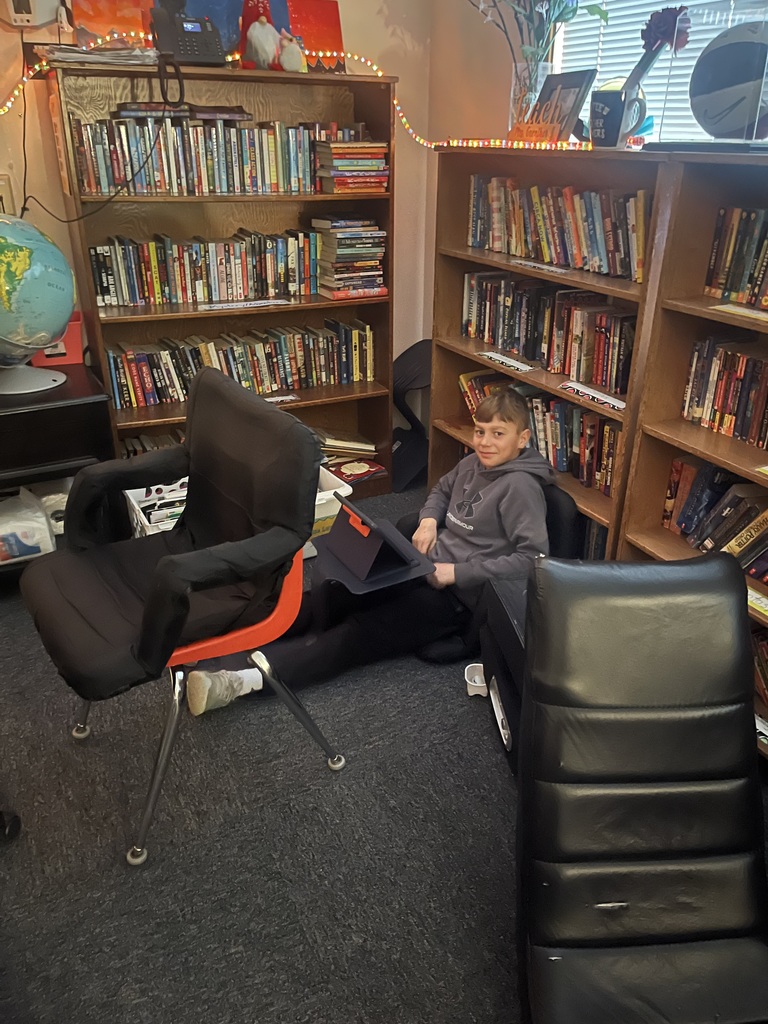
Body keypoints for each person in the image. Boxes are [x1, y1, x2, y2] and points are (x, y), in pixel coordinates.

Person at [186, 388, 555, 716]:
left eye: (498, 434)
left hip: (457, 598)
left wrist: (456, 573)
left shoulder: (521, 488)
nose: (485, 442)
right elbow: (442, 490)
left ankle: (240, 681)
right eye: (480, 431)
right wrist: (429, 520)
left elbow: (533, 560)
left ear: (522, 438)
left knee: (358, 633)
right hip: (423, 566)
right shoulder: (473, 462)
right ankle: (221, 637)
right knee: (337, 593)